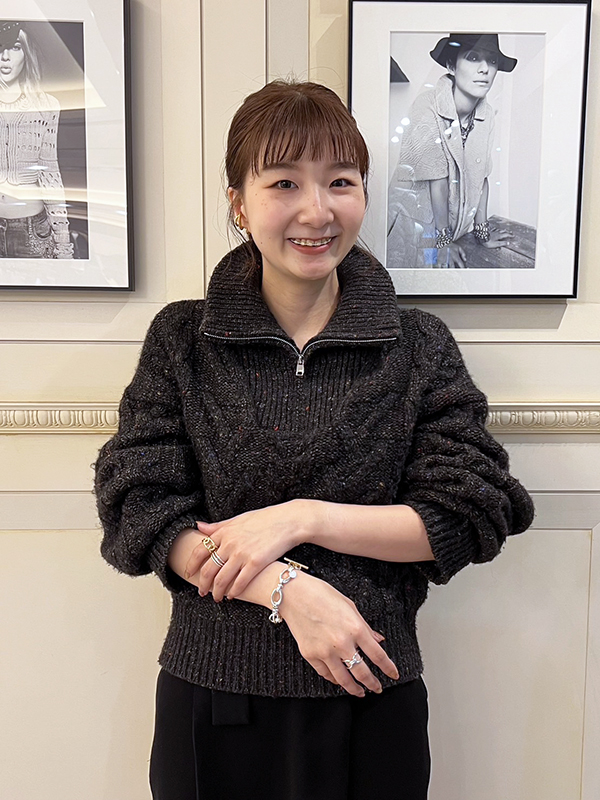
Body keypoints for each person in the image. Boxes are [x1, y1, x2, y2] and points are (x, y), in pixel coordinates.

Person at [95, 80, 534, 800]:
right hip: (215, 700)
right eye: (284, 183)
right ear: (238, 202)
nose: (317, 210)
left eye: (340, 182)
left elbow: (470, 512)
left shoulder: (418, 346)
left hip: (371, 698)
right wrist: (288, 590)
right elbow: (140, 513)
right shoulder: (182, 338)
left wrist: (301, 519)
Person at [387, 33, 516, 269]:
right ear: (451, 66)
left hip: (453, 231)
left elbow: (481, 178)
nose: (485, 69)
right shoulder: (426, 105)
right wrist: (443, 241)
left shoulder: (486, 115)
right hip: (412, 229)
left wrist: (482, 233)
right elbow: (438, 181)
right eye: (473, 57)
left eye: (492, 60)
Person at [0, 20, 73, 259]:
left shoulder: (46, 106)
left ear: (27, 53)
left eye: (15, 47)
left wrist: (63, 242)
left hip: (32, 232)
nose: (5, 57)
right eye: (0, 47)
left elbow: (50, 173)